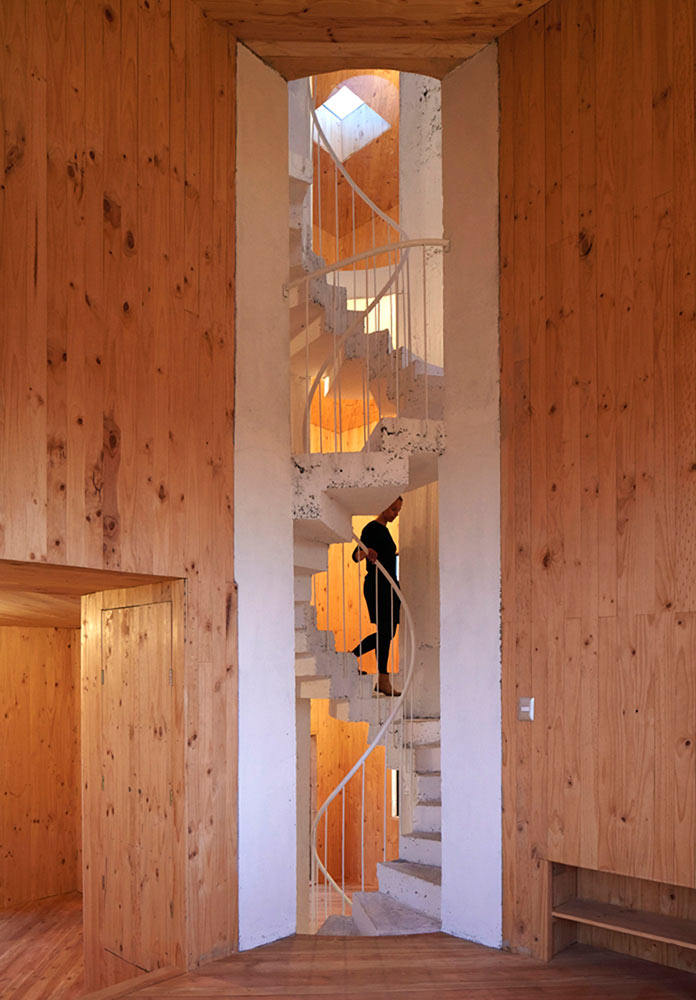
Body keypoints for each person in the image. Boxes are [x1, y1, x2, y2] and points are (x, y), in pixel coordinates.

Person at [351, 496, 403, 696]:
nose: (395, 513)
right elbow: (356, 555)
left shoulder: (385, 530)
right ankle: (381, 677)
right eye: (393, 509)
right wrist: (367, 552)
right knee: (385, 632)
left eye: (398, 510)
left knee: (387, 633)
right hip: (378, 585)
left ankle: (380, 678)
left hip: (390, 586)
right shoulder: (372, 528)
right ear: (383, 506)